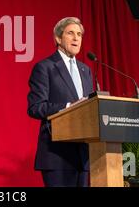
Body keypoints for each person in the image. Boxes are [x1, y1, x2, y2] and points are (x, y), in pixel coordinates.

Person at [27, 17, 94, 187]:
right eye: (70, 33)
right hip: (57, 154)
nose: (76, 38)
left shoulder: (86, 70)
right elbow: (36, 107)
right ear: (58, 38)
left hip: (83, 156)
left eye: (79, 34)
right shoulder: (45, 67)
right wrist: (68, 107)